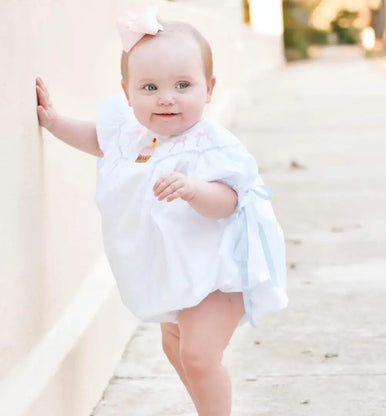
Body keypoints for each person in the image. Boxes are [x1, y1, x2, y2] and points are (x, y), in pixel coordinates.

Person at [36, 6, 287, 416]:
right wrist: (54, 122)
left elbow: (229, 200)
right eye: (149, 87)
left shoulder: (211, 145)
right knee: (174, 344)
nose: (166, 98)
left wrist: (193, 189)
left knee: (201, 357)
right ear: (127, 92)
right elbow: (98, 140)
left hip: (220, 268)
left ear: (209, 88)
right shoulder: (135, 134)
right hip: (180, 267)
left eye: (183, 85)